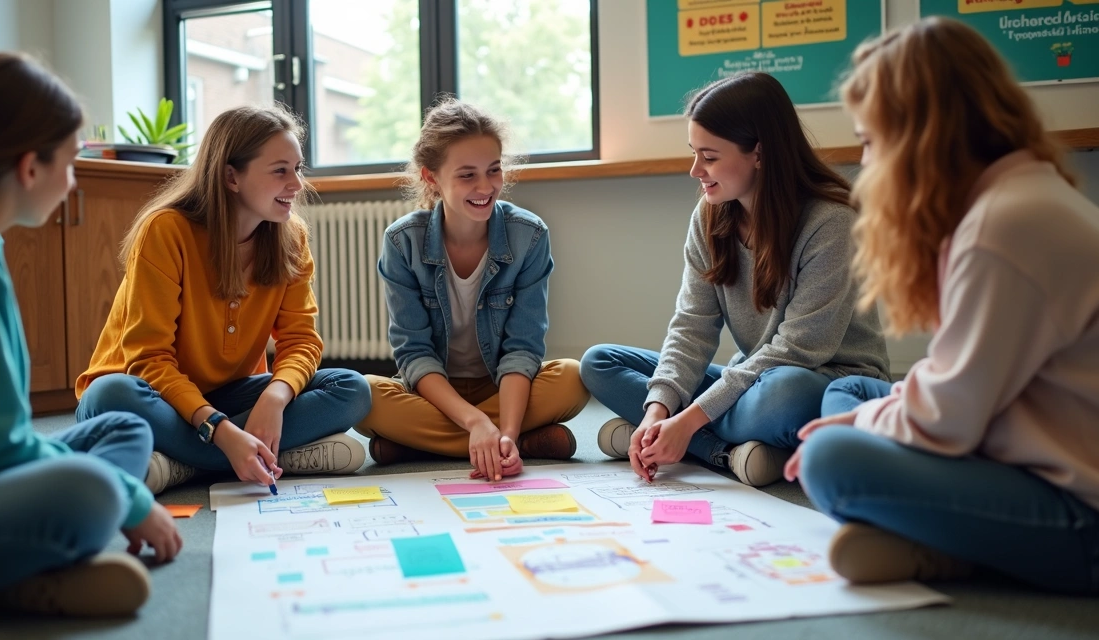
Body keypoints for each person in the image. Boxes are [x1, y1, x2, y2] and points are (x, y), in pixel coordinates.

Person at [786, 18, 1099, 594]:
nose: (866, 162)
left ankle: (953, 553)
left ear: (918, 137)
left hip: (1082, 512)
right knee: (854, 394)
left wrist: (861, 427)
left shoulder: (1003, 225)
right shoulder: (1018, 197)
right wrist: (868, 415)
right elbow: (963, 381)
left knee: (830, 456)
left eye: (870, 141)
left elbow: (946, 418)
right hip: (1030, 445)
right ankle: (940, 541)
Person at [0, 52, 181, 625]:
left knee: (123, 428)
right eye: (70, 163)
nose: (72, 183)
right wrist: (132, 499)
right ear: (29, 168)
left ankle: (19, 564)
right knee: (95, 491)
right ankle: (13, 572)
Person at [581, 72, 890, 487]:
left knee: (785, 395)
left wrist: (687, 421)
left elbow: (799, 350)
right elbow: (691, 327)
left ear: (759, 153)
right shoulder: (710, 216)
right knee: (600, 362)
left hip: (823, 381)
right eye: (693, 153)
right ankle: (725, 453)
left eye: (709, 157)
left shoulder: (831, 222)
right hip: (753, 378)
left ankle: (691, 442)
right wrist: (657, 410)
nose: (695, 170)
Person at [76, 106, 371, 495]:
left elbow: (301, 341)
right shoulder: (166, 231)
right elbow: (149, 360)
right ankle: (250, 454)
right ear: (232, 176)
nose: (297, 184)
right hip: (150, 393)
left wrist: (274, 398)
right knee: (109, 394)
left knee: (351, 389)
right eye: (280, 171)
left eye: (298, 169)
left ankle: (181, 463)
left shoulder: (292, 237)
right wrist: (220, 430)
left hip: (228, 395)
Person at [355, 98, 589, 481]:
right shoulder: (402, 242)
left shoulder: (529, 235)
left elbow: (522, 348)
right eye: (467, 175)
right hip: (435, 393)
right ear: (431, 177)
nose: (485, 186)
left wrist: (506, 430)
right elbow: (414, 354)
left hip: (500, 388)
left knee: (573, 380)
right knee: (361, 395)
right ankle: (505, 440)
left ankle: (434, 445)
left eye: (493, 170)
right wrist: (475, 421)